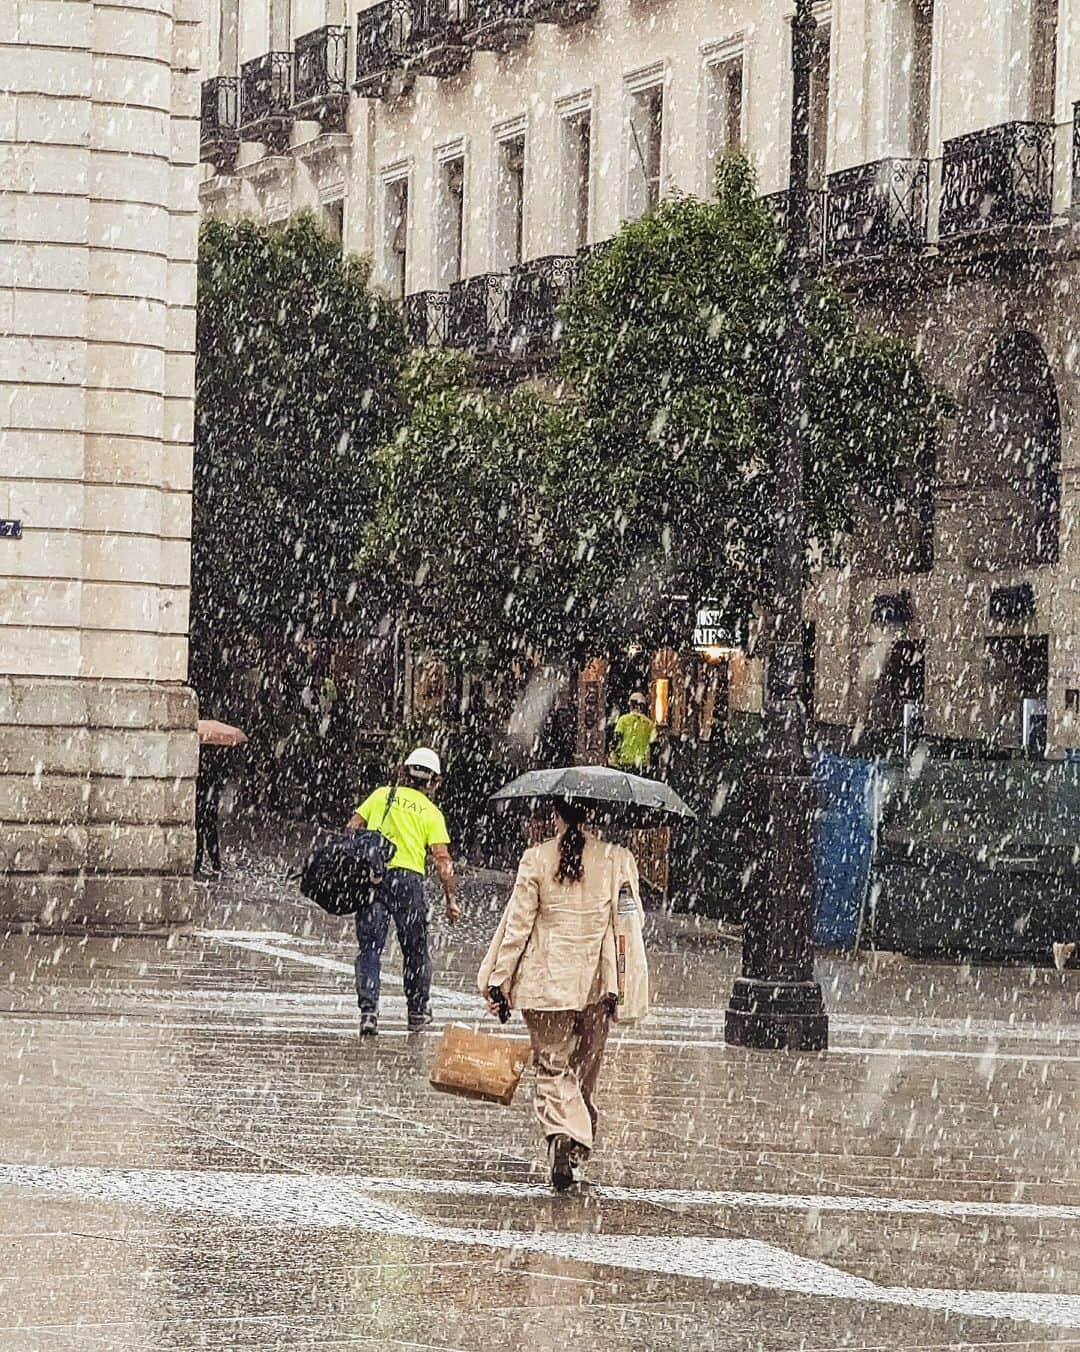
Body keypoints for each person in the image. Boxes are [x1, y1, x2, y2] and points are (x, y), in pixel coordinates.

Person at [478, 799, 648, 1191]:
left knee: (552, 1065)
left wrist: (500, 979)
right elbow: (628, 920)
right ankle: (575, 1133)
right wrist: (625, 979)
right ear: (595, 817)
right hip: (596, 982)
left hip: (546, 980)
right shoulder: (616, 859)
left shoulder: (536, 859)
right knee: (586, 1066)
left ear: (555, 814)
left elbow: (518, 925)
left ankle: (562, 1131)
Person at [346, 747, 460, 1035]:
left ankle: (369, 1012)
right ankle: (418, 1011)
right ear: (434, 781)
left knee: (370, 949)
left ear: (403, 771)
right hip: (409, 884)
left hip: (375, 878)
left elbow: (352, 828)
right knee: (415, 951)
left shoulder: (382, 795)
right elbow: (443, 862)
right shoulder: (431, 813)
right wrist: (451, 900)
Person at [610, 691, 655, 772]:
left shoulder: (623, 720)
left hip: (625, 762)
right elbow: (654, 744)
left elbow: (616, 740)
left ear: (630, 705)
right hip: (642, 765)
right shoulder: (649, 724)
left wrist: (613, 758)